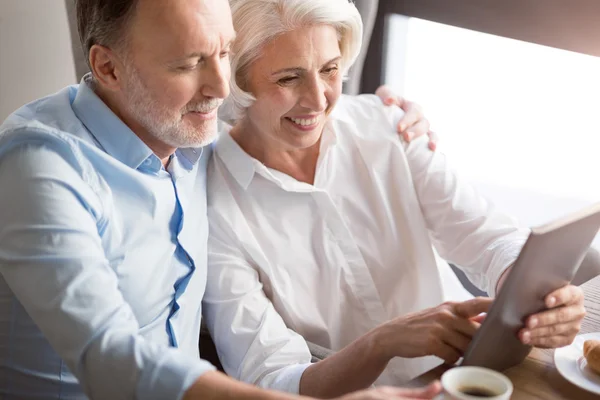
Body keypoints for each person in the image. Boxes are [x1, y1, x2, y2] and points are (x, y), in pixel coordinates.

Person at [0, 0, 438, 398]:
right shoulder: (39, 167)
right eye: (190, 63)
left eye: (224, 52)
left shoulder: (194, 134)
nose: (222, 87)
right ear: (109, 68)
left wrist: (386, 115)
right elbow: (110, 357)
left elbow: (283, 107)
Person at [203, 0, 587, 397]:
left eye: (330, 69)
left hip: (471, 372)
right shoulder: (213, 208)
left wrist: (540, 296)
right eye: (288, 78)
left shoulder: (387, 125)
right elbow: (272, 383)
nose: (318, 100)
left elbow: (487, 237)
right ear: (236, 78)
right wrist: (381, 343)